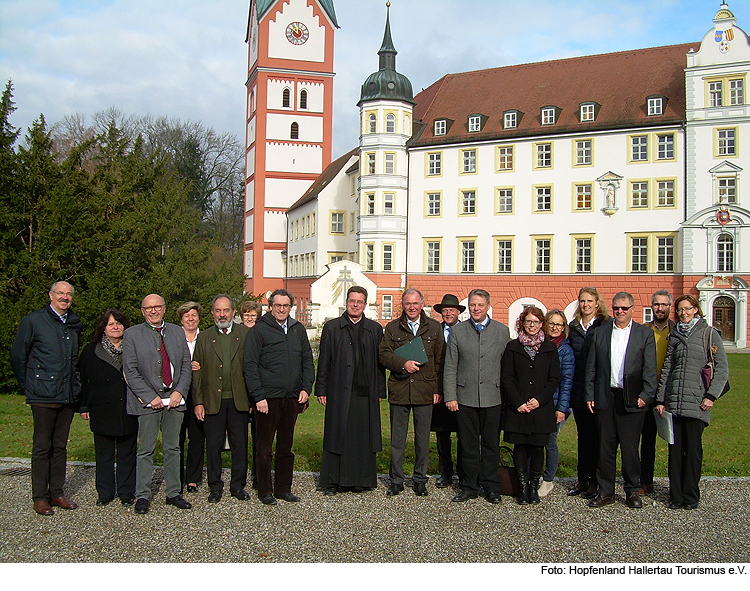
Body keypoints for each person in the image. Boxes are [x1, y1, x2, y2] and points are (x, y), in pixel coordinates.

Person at [10, 281, 81, 515]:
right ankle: (40, 497)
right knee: (42, 446)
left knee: (60, 446)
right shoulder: (33, 321)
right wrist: (29, 386)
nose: (64, 297)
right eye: (60, 293)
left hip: (67, 394)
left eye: (68, 294)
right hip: (43, 393)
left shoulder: (73, 322)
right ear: (50, 295)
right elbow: (18, 355)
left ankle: (57, 493)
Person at [655, 295, 728, 510]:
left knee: (693, 452)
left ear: (696, 310)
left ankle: (691, 495)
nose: (683, 313)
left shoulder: (708, 334)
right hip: (674, 401)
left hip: (697, 403)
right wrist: (661, 398)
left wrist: (711, 396)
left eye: (687, 309)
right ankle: (676, 496)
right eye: (680, 310)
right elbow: (667, 369)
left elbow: (722, 368)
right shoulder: (675, 335)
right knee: (675, 453)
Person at [585, 292, 657, 508]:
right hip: (606, 397)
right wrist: (589, 394)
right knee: (605, 447)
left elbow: (650, 369)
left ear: (632, 309)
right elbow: (592, 367)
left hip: (632, 399)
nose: (620, 312)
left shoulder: (643, 334)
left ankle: (632, 490)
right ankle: (605, 490)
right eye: (616, 308)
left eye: (624, 308)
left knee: (630, 448)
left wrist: (646, 395)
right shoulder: (600, 333)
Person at [243, 289, 314, 505]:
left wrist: (305, 388)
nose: (282, 309)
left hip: (292, 397)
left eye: (285, 306)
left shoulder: (297, 330)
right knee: (264, 448)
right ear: (270, 307)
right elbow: (250, 366)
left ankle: (284, 488)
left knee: (285, 446)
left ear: (290, 307)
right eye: (278, 305)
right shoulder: (260, 331)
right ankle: (264, 490)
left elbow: (307, 361)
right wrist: (258, 397)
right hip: (267, 398)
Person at [123, 293, 193, 514]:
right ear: (143, 312)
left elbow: (185, 365)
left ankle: (173, 492)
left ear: (164, 308)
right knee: (146, 449)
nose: (153, 311)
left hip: (174, 399)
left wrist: (180, 391)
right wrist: (149, 396)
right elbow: (130, 371)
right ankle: (142, 495)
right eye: (148, 308)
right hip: (147, 401)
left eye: (157, 307)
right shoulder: (132, 335)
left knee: (173, 447)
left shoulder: (176, 332)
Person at [315, 286, 386, 494]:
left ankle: (361, 480)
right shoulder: (332, 327)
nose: (355, 305)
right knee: (337, 434)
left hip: (365, 392)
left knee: (363, 436)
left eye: (360, 301)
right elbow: (324, 361)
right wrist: (321, 389)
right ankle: (332, 481)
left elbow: (380, 364)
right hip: (338, 389)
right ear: (346, 302)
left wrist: (380, 391)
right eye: (352, 301)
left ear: (365, 305)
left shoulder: (374, 329)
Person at [443, 289, 510, 504]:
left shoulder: (502, 331)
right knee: (467, 445)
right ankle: (468, 485)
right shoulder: (458, 332)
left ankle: (491, 486)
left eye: (480, 305)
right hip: (465, 397)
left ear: (488, 305)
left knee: (490, 445)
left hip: (493, 396)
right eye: (472, 305)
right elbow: (450, 366)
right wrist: (450, 396)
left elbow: (507, 367)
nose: (476, 309)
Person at [379, 288, 443, 497]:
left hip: (425, 389)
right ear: (403, 305)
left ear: (422, 303)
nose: (412, 307)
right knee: (397, 439)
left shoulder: (434, 328)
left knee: (422, 440)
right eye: (408, 304)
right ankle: (396, 480)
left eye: (415, 303)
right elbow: (384, 355)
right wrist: (403, 363)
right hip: (400, 388)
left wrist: (437, 389)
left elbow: (440, 360)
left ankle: (420, 480)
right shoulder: (392, 328)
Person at [192, 295, 251, 503]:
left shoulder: (245, 334)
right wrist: (198, 402)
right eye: (218, 310)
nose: (222, 314)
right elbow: (196, 372)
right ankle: (215, 487)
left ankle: (237, 486)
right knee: (214, 446)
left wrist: (253, 399)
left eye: (226, 310)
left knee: (239, 445)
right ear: (212, 313)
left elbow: (253, 368)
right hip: (212, 401)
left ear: (234, 312)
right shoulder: (204, 337)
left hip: (239, 400)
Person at [79, 309, 138, 506]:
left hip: (127, 408)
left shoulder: (133, 348)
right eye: (111, 323)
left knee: (127, 452)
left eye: (119, 323)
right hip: (101, 408)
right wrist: (83, 405)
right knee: (103, 454)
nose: (115, 327)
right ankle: (104, 493)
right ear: (103, 328)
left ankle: (126, 492)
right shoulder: (90, 350)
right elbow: (83, 381)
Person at [502, 307, 560, 505]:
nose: (532, 325)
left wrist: (540, 400)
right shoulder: (513, 347)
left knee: (537, 448)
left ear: (541, 323)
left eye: (535, 322)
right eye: (528, 322)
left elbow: (554, 379)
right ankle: (522, 487)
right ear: (522, 323)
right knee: (521, 447)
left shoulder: (550, 348)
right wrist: (518, 402)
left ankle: (533, 487)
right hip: (519, 407)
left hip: (541, 407)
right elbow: (507, 378)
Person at [567, 286, 609, 499]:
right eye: (582, 301)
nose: (586, 305)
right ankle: (583, 479)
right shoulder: (573, 327)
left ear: (597, 303)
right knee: (583, 438)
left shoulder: (604, 326)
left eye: (590, 301)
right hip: (578, 389)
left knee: (598, 438)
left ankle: (596, 481)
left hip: (597, 389)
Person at [640, 289, 675, 495]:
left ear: (670, 307)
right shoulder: (644, 330)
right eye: (656, 305)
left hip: (670, 392)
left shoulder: (676, 330)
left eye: (664, 305)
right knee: (647, 439)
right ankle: (646, 480)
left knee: (673, 440)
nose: (660, 308)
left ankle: (675, 484)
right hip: (648, 390)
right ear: (651, 306)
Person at [430, 294, 465, 489]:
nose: (448, 313)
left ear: (458, 312)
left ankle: (463, 472)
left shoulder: (465, 331)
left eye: (452, 310)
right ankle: (445, 471)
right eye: (445, 310)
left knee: (463, 434)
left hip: (460, 390)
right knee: (442, 434)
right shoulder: (436, 331)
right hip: (439, 389)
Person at [540, 309, 574, 497]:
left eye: (559, 324)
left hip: (556, 403)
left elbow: (567, 381)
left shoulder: (565, 350)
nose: (555, 327)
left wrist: (562, 409)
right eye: (551, 323)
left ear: (564, 327)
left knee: (550, 441)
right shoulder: (540, 344)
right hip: (540, 402)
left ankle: (548, 480)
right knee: (537, 440)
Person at [176, 301, 205, 494]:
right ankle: (176, 477)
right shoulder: (173, 338)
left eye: (194, 315)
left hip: (199, 394)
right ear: (181, 319)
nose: (191, 319)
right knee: (176, 439)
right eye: (187, 316)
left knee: (197, 437)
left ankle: (193, 478)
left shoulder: (205, 338)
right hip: (178, 393)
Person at [238, 298, 263, 487]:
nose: (249, 318)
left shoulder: (261, 333)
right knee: (239, 437)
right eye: (246, 315)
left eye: (253, 315)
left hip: (257, 390)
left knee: (259, 437)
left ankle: (257, 474)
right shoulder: (237, 334)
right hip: (239, 390)